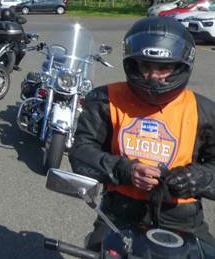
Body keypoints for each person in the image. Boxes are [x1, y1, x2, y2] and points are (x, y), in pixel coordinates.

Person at [69, 16, 215, 250]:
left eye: (164, 68)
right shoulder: (105, 100)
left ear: (180, 66)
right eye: (146, 66)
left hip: (182, 217)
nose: (153, 76)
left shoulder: (204, 110)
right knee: (98, 250)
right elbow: (81, 152)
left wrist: (196, 178)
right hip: (120, 212)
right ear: (133, 64)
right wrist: (125, 170)